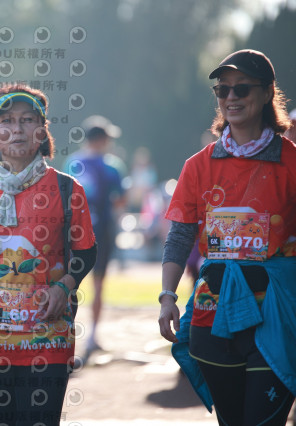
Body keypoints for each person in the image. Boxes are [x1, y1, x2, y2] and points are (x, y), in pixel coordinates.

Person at [0, 84, 97, 426]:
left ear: (42, 130)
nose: (17, 129)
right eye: (6, 121)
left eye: (27, 120)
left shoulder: (67, 189)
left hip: (46, 337)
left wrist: (64, 286)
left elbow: (86, 252)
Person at [158, 49, 296, 425]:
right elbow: (180, 237)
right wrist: (168, 297)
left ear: (267, 93)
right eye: (223, 90)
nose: (231, 97)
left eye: (242, 88)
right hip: (211, 317)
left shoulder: (292, 162)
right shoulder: (198, 165)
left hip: (276, 316)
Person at [63, 115, 127, 361]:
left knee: (68, 283)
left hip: (72, 232)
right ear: (102, 139)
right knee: (98, 284)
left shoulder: (72, 162)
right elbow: (120, 200)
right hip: (101, 232)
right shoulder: (112, 166)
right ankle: (92, 337)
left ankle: (66, 336)